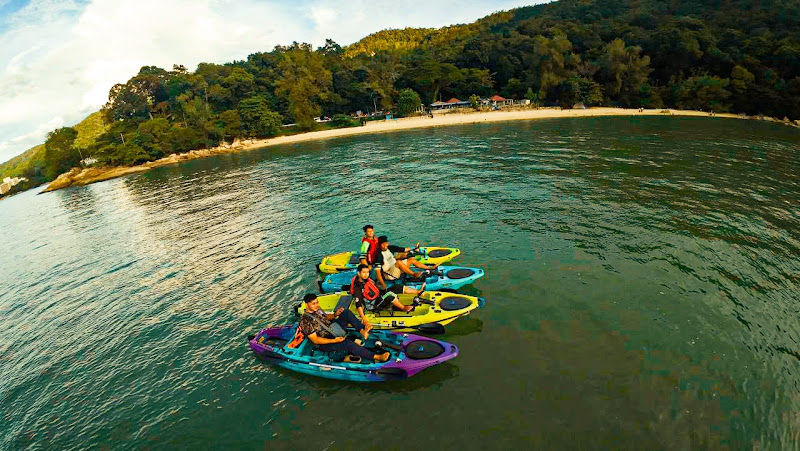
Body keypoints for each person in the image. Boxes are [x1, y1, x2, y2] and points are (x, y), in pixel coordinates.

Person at [298, 293, 388, 362]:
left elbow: (326, 317)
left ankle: (362, 331)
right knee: (347, 343)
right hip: (325, 341)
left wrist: (335, 314)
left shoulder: (317, 309)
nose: (317, 305)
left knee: (346, 312)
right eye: (313, 303)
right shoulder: (305, 321)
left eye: (317, 302)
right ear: (307, 305)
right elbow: (316, 340)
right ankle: (377, 357)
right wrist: (334, 340)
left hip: (333, 328)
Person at [350, 264, 425, 314]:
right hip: (374, 304)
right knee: (389, 294)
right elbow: (358, 304)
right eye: (364, 272)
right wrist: (364, 319)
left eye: (367, 272)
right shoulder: (358, 287)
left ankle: (418, 291)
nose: (366, 274)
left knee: (396, 287)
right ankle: (404, 308)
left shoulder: (366, 279)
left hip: (378, 297)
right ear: (359, 273)